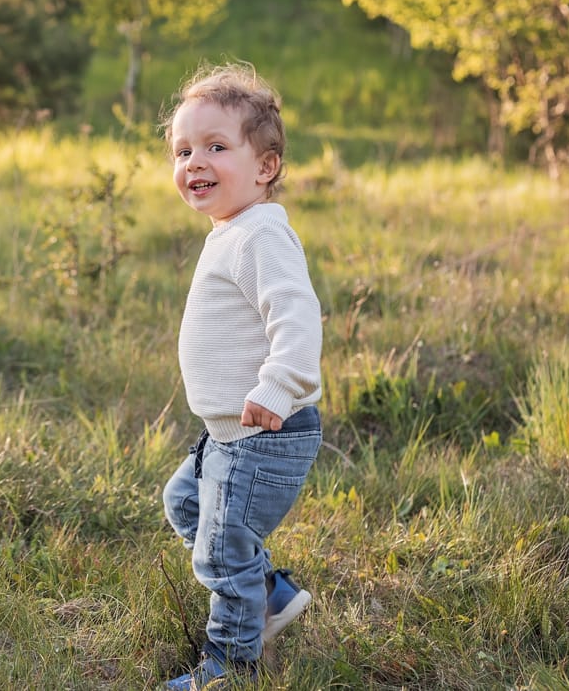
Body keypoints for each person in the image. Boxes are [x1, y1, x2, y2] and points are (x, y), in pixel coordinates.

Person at [159, 63, 324, 689]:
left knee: (221, 548)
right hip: (231, 432)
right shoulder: (232, 230)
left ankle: (229, 664)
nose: (194, 161)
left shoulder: (260, 234)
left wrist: (276, 386)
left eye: (216, 147)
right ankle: (272, 595)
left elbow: (298, 315)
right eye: (183, 150)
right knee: (185, 505)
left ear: (266, 167)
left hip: (265, 430)